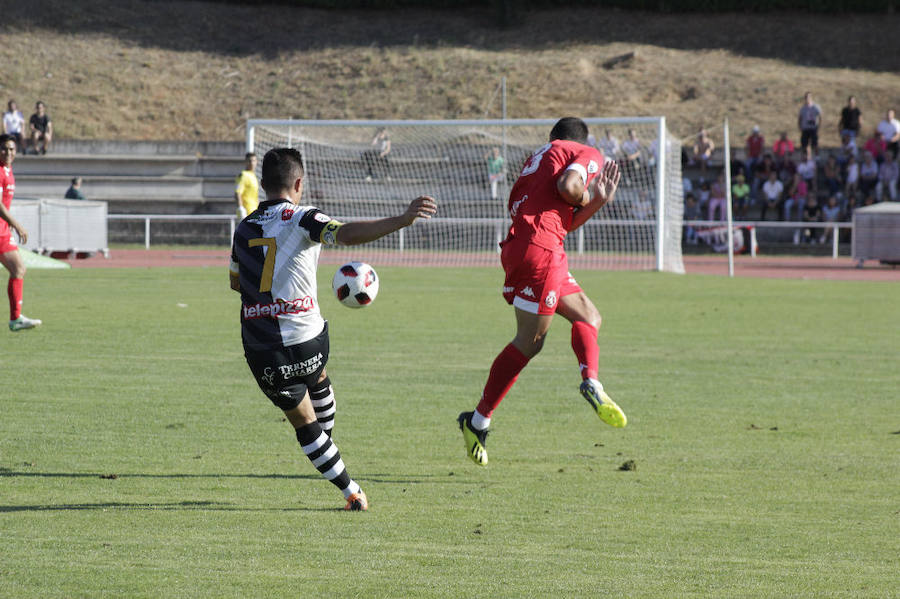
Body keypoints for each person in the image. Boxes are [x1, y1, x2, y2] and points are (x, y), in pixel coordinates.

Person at [229, 147, 436, 509]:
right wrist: (401, 220)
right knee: (317, 376)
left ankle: (350, 490)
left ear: (262, 184)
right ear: (299, 183)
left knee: (303, 422)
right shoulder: (302, 217)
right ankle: (326, 443)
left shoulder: (244, 228)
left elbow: (235, 283)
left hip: (263, 348)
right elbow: (346, 234)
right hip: (309, 341)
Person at [456, 117, 626, 467]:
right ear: (580, 141)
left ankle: (591, 382)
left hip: (531, 245)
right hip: (542, 249)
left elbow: (563, 217)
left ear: (552, 137)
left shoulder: (536, 159)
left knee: (589, 316)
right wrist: (586, 194)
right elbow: (569, 186)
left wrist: (596, 201)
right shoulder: (585, 152)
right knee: (530, 341)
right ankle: (478, 421)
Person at [0, 134, 42, 331]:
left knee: (18, 269)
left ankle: (15, 318)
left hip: (2, 229)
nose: (8, 153)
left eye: (11, 149)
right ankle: (15, 318)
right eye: (4, 149)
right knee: (18, 269)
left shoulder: (8, 170)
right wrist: (16, 224)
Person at [234, 152, 259, 219]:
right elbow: (237, 193)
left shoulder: (254, 176)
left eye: (253, 160)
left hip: (254, 213)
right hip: (246, 213)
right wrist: (241, 208)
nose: (252, 163)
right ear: (245, 162)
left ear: (257, 162)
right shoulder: (243, 175)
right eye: (249, 161)